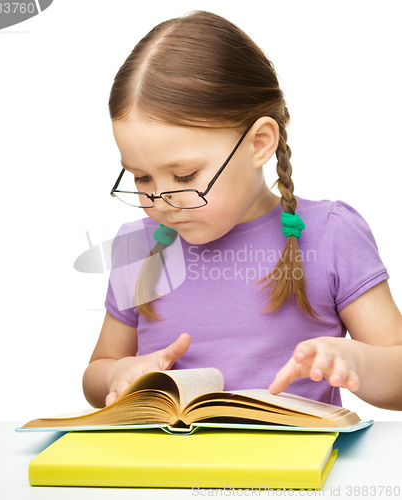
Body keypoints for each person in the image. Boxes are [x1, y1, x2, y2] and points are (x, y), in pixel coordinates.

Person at [82, 11, 402, 411]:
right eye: (141, 177)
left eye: (184, 176)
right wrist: (118, 375)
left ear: (259, 144)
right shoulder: (138, 247)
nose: (161, 200)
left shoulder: (329, 235)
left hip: (287, 471)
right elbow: (98, 371)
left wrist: (357, 361)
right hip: (165, 470)